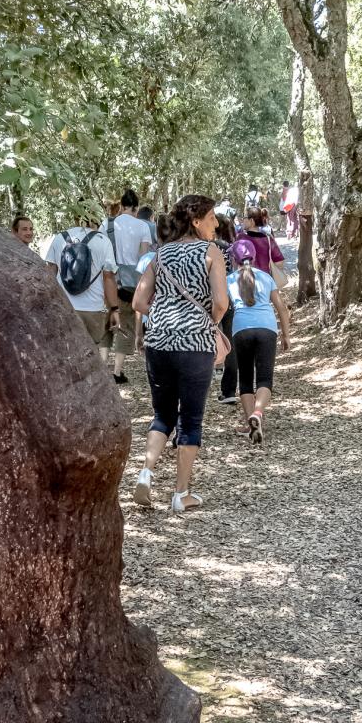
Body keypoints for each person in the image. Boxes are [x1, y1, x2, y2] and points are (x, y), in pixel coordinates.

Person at [131, 196, 229, 513]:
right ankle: (181, 493)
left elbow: (138, 302)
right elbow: (221, 303)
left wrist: (162, 315)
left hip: (158, 342)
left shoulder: (161, 254)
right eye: (212, 218)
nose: (216, 224)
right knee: (191, 419)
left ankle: (146, 473)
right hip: (194, 344)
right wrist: (206, 324)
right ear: (197, 221)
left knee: (162, 415)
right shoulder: (211, 253)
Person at [227, 238, 291, 444]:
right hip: (266, 329)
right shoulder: (265, 277)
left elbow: (219, 306)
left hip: (241, 329)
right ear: (254, 257)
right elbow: (281, 307)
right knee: (264, 378)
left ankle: (249, 423)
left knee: (245, 378)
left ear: (233, 260)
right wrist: (286, 335)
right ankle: (258, 413)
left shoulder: (229, 280)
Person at [43, 216, 119, 362]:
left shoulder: (60, 238)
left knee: (65, 351)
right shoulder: (103, 241)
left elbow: (49, 274)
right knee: (89, 354)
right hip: (92, 308)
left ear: (75, 217)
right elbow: (109, 278)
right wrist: (114, 308)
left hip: (63, 305)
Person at [101, 189, 153, 384]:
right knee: (128, 325)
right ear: (136, 208)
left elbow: (101, 251)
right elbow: (143, 256)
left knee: (107, 323)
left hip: (109, 279)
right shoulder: (143, 227)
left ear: (121, 206)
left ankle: (103, 364)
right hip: (132, 283)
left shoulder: (107, 223)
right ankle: (117, 371)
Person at [214, 215, 238, 405]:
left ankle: (213, 369)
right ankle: (229, 388)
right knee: (230, 341)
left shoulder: (212, 247)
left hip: (213, 294)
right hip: (231, 295)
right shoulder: (231, 247)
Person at [237, 208, 285, 276]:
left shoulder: (241, 238)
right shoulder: (268, 239)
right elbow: (280, 262)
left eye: (244, 217)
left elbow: (235, 261)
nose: (243, 220)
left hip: (247, 282)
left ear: (251, 221)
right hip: (265, 282)